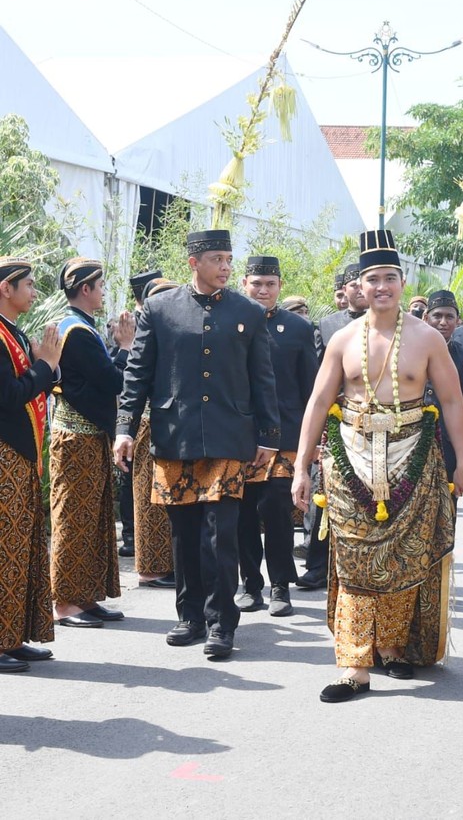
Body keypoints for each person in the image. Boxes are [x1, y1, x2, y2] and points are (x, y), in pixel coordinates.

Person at [292, 229, 463, 703]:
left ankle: (392, 646)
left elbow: (453, 402)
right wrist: (298, 467)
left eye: (390, 278)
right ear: (359, 285)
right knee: (354, 562)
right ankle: (353, 665)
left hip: (413, 455)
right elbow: (317, 403)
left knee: (402, 558)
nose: (381, 287)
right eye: (372, 279)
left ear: (402, 280)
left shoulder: (428, 338)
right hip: (349, 454)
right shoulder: (342, 339)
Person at [114, 229, 280, 661]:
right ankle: (189, 617)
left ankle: (222, 623)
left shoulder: (247, 311)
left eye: (229, 258)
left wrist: (269, 436)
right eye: (218, 259)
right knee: (183, 534)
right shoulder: (160, 308)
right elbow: (138, 374)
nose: (226, 267)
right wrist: (125, 428)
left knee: (220, 534)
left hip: (229, 438)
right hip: (175, 435)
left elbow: (263, 379)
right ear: (194, 263)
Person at [50, 258, 134, 627]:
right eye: (100, 286)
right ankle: (66, 603)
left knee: (92, 519)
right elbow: (112, 381)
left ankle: (85, 597)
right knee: (73, 519)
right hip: (75, 438)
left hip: (87, 436)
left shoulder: (81, 326)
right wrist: (127, 347)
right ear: (85, 289)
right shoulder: (77, 331)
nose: (102, 292)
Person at [237, 256, 318, 616]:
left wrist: (314, 440)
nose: (263, 290)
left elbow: (311, 389)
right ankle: (250, 585)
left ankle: (281, 586)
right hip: (240, 435)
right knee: (242, 512)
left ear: (280, 286)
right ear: (244, 284)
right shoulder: (231, 321)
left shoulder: (299, 330)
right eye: (257, 283)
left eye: (270, 284)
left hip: (286, 436)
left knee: (276, 509)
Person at [0, 257, 61, 673]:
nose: (35, 292)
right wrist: (45, 367)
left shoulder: (11, 332)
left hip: (19, 456)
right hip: (5, 455)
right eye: (29, 285)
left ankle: (12, 636)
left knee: (19, 547)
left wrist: (43, 366)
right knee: (6, 550)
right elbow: (8, 396)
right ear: (7, 288)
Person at [130, 277, 178, 589]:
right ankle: (151, 567)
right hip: (148, 424)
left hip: (170, 425)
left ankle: (167, 564)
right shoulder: (146, 336)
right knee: (148, 499)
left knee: (166, 500)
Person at [116, 270, 162, 558]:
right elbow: (123, 376)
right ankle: (133, 537)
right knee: (133, 481)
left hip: (155, 418)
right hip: (135, 416)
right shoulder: (127, 326)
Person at [425, 289, 463, 483]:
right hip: (408, 449)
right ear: (426, 318)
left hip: (449, 452)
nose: (443, 322)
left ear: (458, 320)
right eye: (437, 316)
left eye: (449, 316)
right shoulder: (406, 355)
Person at [318, 263, 368, 350]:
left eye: (364, 285)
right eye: (354, 286)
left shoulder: (388, 321)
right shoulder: (327, 324)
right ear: (345, 289)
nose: (360, 290)